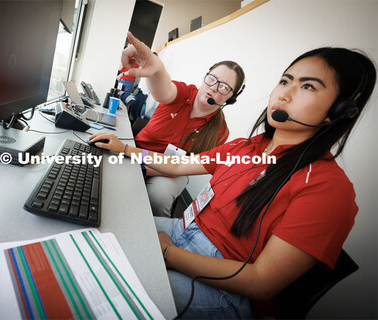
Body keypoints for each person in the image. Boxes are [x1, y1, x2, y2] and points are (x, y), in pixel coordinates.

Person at [89, 47, 376, 318]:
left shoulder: (327, 188)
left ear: (336, 112)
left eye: (308, 86)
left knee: (108, 290)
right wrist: (124, 148)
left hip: (226, 286)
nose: (285, 94)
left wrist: (167, 253)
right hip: (184, 229)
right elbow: (179, 164)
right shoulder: (244, 148)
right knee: (104, 224)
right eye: (285, 80)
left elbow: (261, 282)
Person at [117, 32, 245, 218]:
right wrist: (155, 67)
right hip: (137, 153)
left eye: (224, 87)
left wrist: (146, 169)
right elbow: (164, 90)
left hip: (172, 172)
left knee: (158, 196)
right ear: (204, 78)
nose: (214, 88)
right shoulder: (182, 93)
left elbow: (187, 166)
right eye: (212, 79)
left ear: (230, 98)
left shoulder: (220, 131)